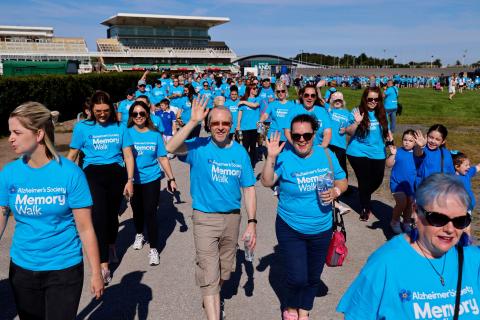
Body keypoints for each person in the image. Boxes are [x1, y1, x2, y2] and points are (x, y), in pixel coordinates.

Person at [0, 102, 104, 319]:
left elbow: (85, 229)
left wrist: (96, 272)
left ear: (38, 134)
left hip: (64, 269)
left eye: (17, 132)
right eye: (10, 132)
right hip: (22, 268)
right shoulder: (9, 173)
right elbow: (1, 214)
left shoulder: (70, 174)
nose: (10, 138)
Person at [337, 174, 479, 320]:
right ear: (416, 212)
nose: (450, 229)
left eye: (460, 220)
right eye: (438, 218)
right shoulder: (385, 264)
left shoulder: (474, 260)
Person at [166, 97, 257, 320]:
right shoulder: (199, 147)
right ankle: (213, 305)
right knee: (209, 272)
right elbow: (170, 147)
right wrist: (192, 122)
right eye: (215, 123)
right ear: (208, 125)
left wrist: (252, 222)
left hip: (232, 219)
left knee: (225, 270)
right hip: (204, 218)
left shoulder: (240, 153)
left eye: (225, 123)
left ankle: (214, 293)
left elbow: (249, 189)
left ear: (231, 124)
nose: (220, 127)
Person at [261, 114, 347, 320]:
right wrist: (271, 157)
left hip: (322, 227)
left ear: (313, 135)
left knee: (313, 275)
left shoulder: (326, 154)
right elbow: (266, 181)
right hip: (291, 227)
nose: (301, 140)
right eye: (297, 135)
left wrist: (335, 192)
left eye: (306, 135)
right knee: (297, 277)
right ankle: (290, 306)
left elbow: (342, 181)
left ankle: (304, 308)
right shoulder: (284, 156)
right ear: (290, 135)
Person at [67, 90, 134, 285]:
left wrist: (129, 180)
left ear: (111, 108)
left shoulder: (120, 127)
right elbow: (72, 155)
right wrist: (62, 178)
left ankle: (112, 245)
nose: (102, 114)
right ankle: (103, 265)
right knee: (99, 217)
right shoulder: (82, 128)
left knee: (112, 215)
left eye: (105, 110)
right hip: (92, 174)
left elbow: (128, 155)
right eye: (98, 111)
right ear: (91, 110)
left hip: (116, 174)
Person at [127, 101, 177, 266]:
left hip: (152, 178)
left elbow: (162, 157)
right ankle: (140, 234)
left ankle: (154, 249)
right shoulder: (126, 133)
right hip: (133, 180)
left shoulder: (155, 135)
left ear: (147, 114)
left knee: (150, 212)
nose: (139, 116)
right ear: (131, 116)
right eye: (135, 114)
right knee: (137, 211)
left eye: (142, 113)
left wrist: (171, 178)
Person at [345, 86, 391, 221]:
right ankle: (365, 207)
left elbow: (385, 132)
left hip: (378, 151)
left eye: (376, 99)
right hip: (357, 151)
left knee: (378, 179)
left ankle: (363, 194)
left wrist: (390, 141)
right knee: (364, 179)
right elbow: (348, 131)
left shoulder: (382, 113)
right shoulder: (356, 111)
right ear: (365, 98)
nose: (373, 101)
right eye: (370, 98)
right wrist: (357, 123)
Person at [386, 129, 418, 234]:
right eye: (405, 140)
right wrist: (393, 154)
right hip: (397, 183)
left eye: (410, 140)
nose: (407, 142)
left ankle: (406, 222)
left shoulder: (417, 154)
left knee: (409, 204)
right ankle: (394, 222)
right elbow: (388, 164)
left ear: (415, 142)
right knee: (401, 203)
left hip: (411, 185)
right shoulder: (398, 151)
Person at [236, 85, 261, 167]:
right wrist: (238, 125)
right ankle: (245, 164)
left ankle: (252, 164)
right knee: (245, 147)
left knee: (253, 147)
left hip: (255, 127)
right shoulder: (244, 100)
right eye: (254, 88)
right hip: (245, 128)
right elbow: (240, 113)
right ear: (250, 90)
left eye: (256, 88)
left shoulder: (258, 98)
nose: (256, 90)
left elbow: (255, 105)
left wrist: (243, 102)